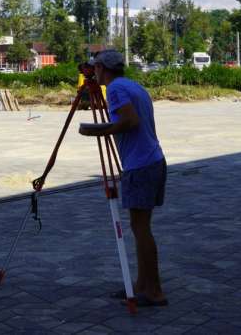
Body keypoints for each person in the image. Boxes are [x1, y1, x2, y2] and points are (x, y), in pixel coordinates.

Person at [79, 50, 168, 307]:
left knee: (141, 230)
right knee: (140, 228)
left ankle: (154, 291)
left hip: (140, 165)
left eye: (95, 68)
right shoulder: (132, 85)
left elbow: (130, 121)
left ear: (103, 69)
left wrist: (98, 131)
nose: (93, 72)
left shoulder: (116, 89)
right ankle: (140, 285)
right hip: (152, 160)